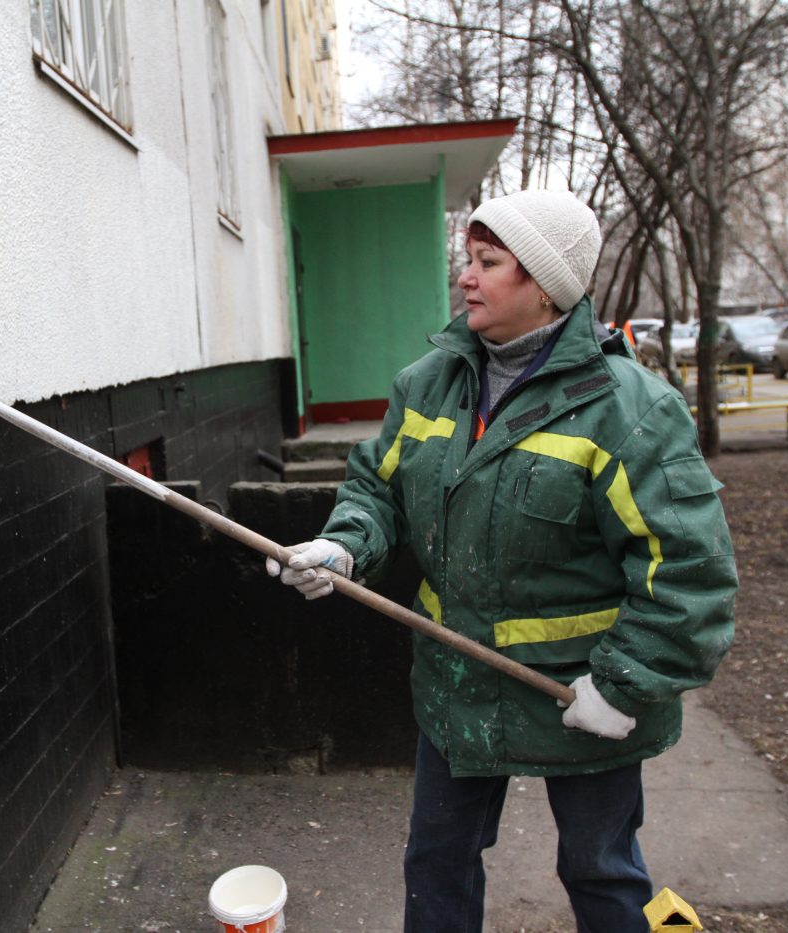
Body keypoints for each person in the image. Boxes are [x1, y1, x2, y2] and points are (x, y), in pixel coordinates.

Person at [266, 189, 737, 933]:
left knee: (600, 867)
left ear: (545, 286)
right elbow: (377, 486)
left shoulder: (629, 410)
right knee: (436, 862)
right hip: (456, 687)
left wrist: (622, 685)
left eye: (489, 263)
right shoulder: (429, 383)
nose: (467, 277)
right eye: (468, 260)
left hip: (579, 696)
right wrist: (346, 543)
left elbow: (687, 571)